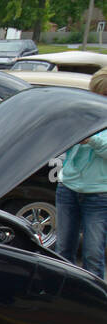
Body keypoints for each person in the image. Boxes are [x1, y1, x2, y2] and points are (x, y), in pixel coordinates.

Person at [54, 68, 107, 276]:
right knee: (62, 251)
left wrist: (91, 139)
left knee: (93, 254)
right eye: (96, 93)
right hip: (68, 187)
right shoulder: (84, 112)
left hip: (99, 194)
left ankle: (94, 304)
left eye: (103, 95)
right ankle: (63, 297)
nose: (99, 99)